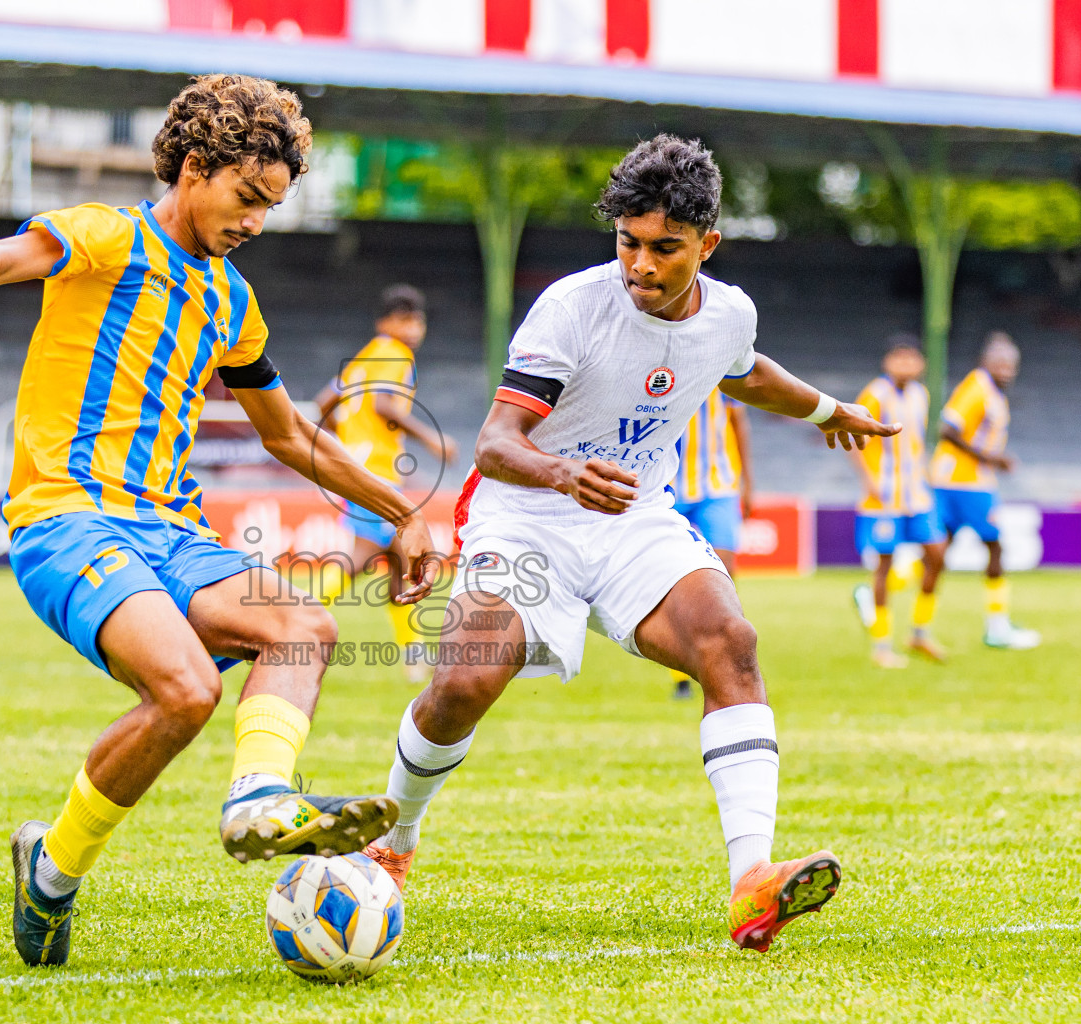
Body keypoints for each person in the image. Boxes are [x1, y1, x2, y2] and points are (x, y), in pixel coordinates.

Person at [0, 74, 438, 969]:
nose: (256, 222)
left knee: (303, 624)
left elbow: (291, 432)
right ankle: (59, 870)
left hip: (170, 531)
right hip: (67, 519)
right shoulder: (107, 235)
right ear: (193, 167)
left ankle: (256, 798)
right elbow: (4, 259)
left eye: (271, 207)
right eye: (246, 198)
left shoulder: (234, 303)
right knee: (187, 690)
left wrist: (402, 509)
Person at [359, 135, 900, 953]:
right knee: (466, 680)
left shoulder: (729, 312)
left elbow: (744, 370)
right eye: (628, 243)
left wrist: (831, 411)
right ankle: (391, 844)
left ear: (707, 245)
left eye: (664, 249)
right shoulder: (574, 306)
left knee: (732, 641)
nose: (640, 266)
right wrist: (564, 473)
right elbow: (494, 442)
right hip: (525, 511)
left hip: (633, 516)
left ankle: (752, 882)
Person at [314, 284, 451, 683]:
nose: (414, 328)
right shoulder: (395, 354)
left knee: (398, 561)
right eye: (406, 319)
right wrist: (430, 439)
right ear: (386, 322)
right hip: (375, 468)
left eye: (418, 320)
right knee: (364, 553)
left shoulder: (363, 358)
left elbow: (325, 403)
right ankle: (290, 617)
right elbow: (383, 405)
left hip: (355, 463)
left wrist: (349, 437)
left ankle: (414, 657)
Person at [930, 333, 1041, 650]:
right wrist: (990, 458)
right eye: (1001, 362)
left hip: (956, 481)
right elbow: (947, 429)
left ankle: (887, 598)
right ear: (985, 362)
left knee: (938, 555)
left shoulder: (992, 392)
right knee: (995, 548)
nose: (1007, 369)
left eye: (1012, 364)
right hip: (967, 483)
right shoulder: (977, 387)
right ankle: (997, 627)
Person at [848, 337, 948, 669]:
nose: (906, 364)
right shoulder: (875, 393)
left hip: (917, 493)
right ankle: (882, 645)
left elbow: (918, 442)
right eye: (899, 358)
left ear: (921, 363)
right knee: (884, 565)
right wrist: (868, 479)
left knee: (937, 556)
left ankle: (919, 631)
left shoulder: (921, 394)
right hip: (885, 497)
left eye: (912, 358)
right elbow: (851, 433)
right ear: (888, 362)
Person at [669, 390, 752, 698]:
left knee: (725, 570)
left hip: (718, 485)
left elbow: (738, 422)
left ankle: (727, 653)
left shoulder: (722, 363)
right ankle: (680, 674)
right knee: (670, 575)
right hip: (668, 485)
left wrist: (748, 482)